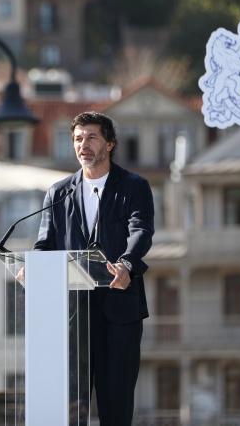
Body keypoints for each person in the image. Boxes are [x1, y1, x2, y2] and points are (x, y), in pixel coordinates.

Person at [33, 111, 154, 425]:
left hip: (120, 311)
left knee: (116, 408)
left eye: (91, 137)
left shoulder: (134, 186)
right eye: (77, 139)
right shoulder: (58, 193)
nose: (82, 145)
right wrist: (32, 269)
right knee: (70, 410)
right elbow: (44, 245)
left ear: (110, 144)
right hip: (73, 317)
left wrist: (126, 264)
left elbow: (141, 231)